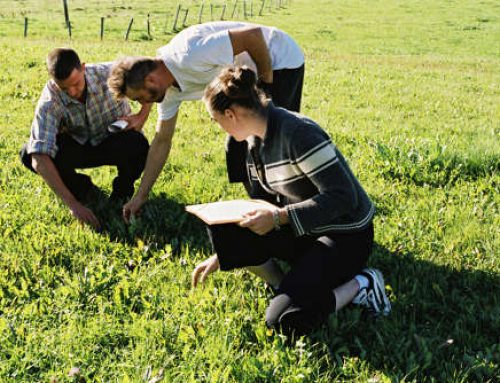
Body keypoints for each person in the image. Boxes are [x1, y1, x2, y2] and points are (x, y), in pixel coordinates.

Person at [191, 66, 391, 335]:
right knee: (224, 230)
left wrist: (278, 218)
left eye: (215, 120)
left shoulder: (298, 133)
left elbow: (344, 197)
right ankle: (284, 286)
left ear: (231, 114)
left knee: (285, 320)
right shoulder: (248, 141)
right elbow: (264, 201)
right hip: (304, 229)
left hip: (345, 234)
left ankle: (364, 284)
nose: (217, 126)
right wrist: (228, 250)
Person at [107, 21, 305, 223]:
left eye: (139, 97)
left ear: (150, 80)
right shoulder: (169, 91)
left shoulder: (188, 55)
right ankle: (266, 208)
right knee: (236, 148)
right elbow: (162, 140)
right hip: (245, 76)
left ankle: (293, 209)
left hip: (277, 58)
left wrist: (266, 89)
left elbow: (252, 36)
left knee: (271, 142)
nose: (142, 103)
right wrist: (140, 196)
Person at [19, 48, 150, 230]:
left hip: (114, 140)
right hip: (78, 146)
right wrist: (72, 204)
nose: (72, 92)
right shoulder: (50, 101)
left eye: (76, 83)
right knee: (29, 153)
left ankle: (122, 191)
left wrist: (141, 116)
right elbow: (39, 157)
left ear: (83, 68)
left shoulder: (108, 73)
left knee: (137, 144)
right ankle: (83, 190)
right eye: (65, 88)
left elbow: (149, 76)